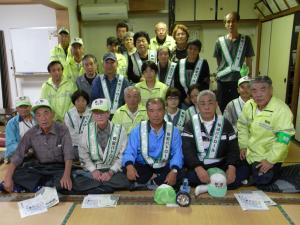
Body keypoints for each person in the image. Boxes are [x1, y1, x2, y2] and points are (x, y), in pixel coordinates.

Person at [2, 99, 90, 194]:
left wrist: (66, 175)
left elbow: (68, 154)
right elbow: (18, 155)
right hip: (40, 167)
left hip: (59, 168)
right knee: (15, 174)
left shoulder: (62, 129)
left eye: (46, 113)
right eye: (38, 115)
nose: (43, 118)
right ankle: (45, 186)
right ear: (35, 117)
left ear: (52, 114)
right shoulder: (31, 133)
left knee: (68, 182)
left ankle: (38, 187)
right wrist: (7, 177)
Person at [237, 76, 295, 186]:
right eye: (254, 90)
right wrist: (243, 146)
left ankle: (278, 170)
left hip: (268, 156)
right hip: (249, 152)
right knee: (235, 174)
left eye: (263, 89)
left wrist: (270, 161)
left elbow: (284, 137)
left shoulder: (281, 110)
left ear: (271, 90)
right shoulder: (249, 105)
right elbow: (242, 125)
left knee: (262, 180)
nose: (258, 94)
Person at [182, 90, 245, 188]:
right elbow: (187, 150)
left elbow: (233, 148)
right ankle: (218, 184)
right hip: (200, 165)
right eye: (202, 104)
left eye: (210, 103)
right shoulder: (190, 124)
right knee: (188, 176)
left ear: (216, 105)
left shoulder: (225, 123)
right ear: (198, 106)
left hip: (221, 165)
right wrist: (198, 168)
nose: (207, 107)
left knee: (242, 170)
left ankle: (210, 185)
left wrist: (231, 167)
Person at [122, 98, 183, 189]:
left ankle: (148, 182)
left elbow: (177, 154)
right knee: (127, 167)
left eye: (159, 110)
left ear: (164, 111)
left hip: (164, 165)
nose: (156, 114)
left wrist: (174, 171)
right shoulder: (137, 130)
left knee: (180, 172)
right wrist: (130, 167)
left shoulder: (174, 131)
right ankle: (157, 181)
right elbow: (129, 151)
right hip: (144, 166)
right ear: (147, 112)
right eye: (151, 111)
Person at [78, 98, 130, 191]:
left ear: (108, 113)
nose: (99, 116)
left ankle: (98, 187)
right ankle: (105, 187)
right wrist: (93, 170)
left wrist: (110, 172)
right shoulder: (87, 129)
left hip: (113, 170)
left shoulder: (119, 130)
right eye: (96, 113)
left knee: (125, 180)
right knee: (77, 180)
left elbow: (123, 155)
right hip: (94, 171)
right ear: (92, 115)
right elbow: (83, 153)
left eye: (102, 112)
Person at [214, 12, 255, 112]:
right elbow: (219, 62)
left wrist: (249, 79)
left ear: (238, 23)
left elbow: (249, 61)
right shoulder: (219, 41)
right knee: (223, 107)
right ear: (225, 24)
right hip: (222, 81)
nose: (231, 24)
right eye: (228, 22)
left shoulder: (246, 40)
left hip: (238, 81)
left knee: (239, 108)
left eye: (233, 21)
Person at [174, 39, 210, 106]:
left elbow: (205, 83)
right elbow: (177, 83)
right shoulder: (180, 63)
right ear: (187, 49)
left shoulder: (203, 63)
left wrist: (197, 97)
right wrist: (184, 97)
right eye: (190, 48)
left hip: (199, 99)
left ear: (199, 51)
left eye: (195, 49)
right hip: (183, 100)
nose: (192, 51)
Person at [5, 96, 35, 161]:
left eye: (26, 106)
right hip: (21, 154)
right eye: (21, 107)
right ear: (17, 108)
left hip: (38, 152)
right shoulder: (11, 123)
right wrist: (26, 149)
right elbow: (10, 145)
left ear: (30, 107)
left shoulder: (38, 118)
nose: (23, 109)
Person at [64, 90, 91, 161]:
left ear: (87, 102)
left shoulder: (92, 114)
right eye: (78, 101)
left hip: (89, 146)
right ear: (74, 102)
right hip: (74, 145)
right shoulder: (69, 114)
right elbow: (70, 133)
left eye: (83, 101)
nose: (80, 103)